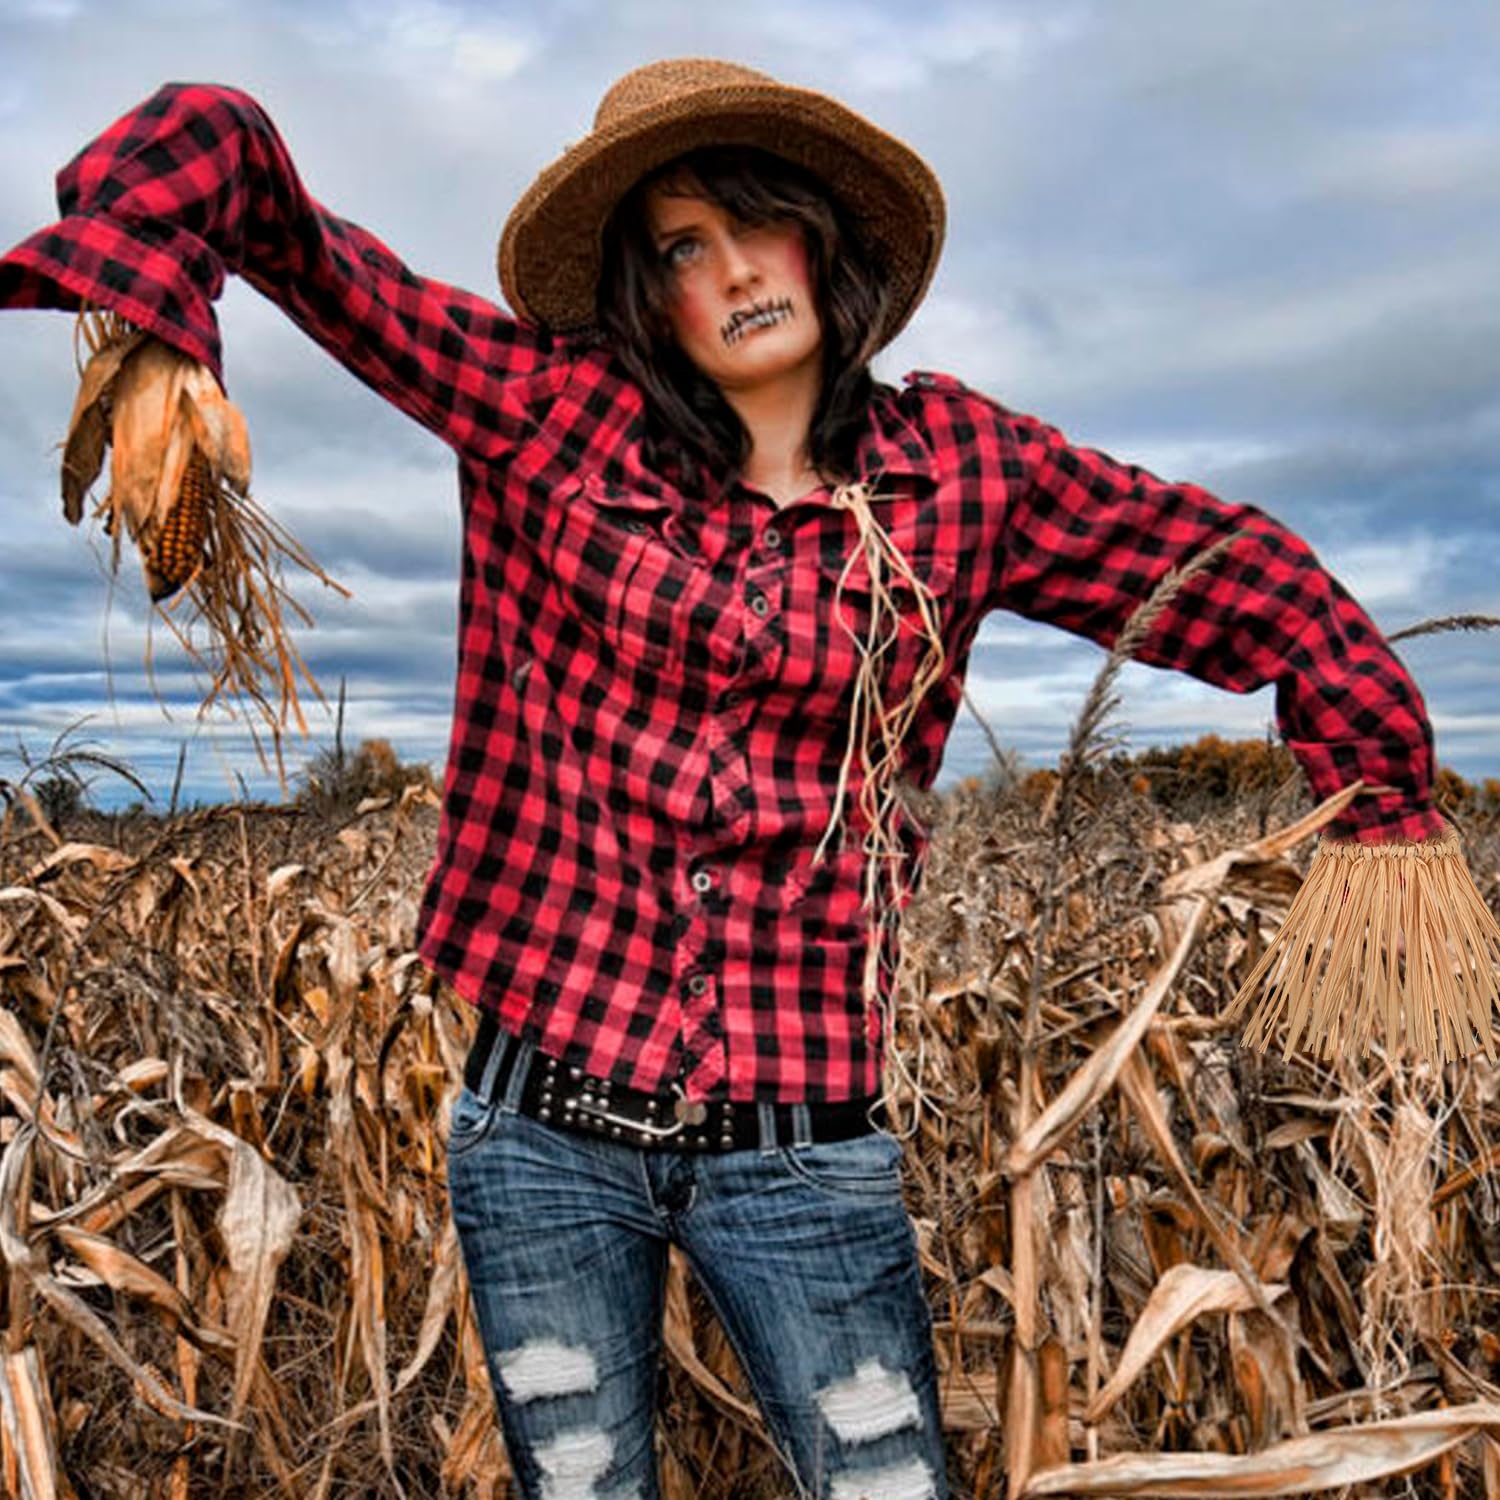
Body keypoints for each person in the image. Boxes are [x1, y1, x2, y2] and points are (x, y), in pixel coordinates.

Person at [0, 57, 1447, 1500]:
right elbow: (255, 187)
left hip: (804, 1153)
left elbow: (1223, 571)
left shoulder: (964, 471)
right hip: (541, 1144)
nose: (736, 270)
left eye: (758, 221)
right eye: (683, 246)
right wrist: (158, 327)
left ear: (825, 239)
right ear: (647, 293)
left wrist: (1380, 780)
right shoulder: (546, 416)